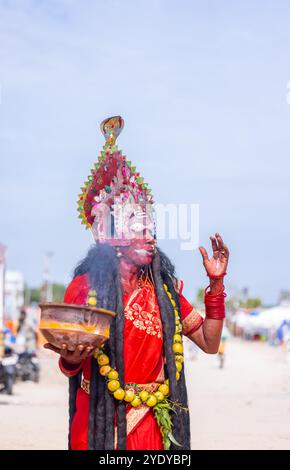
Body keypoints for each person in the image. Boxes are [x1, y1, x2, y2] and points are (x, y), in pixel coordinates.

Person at [44, 116, 229, 450]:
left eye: (150, 225)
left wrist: (216, 286)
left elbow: (209, 343)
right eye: (135, 224)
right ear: (107, 233)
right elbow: (69, 362)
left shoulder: (165, 290)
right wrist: (71, 358)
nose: (148, 234)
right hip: (100, 425)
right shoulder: (86, 288)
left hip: (155, 429)